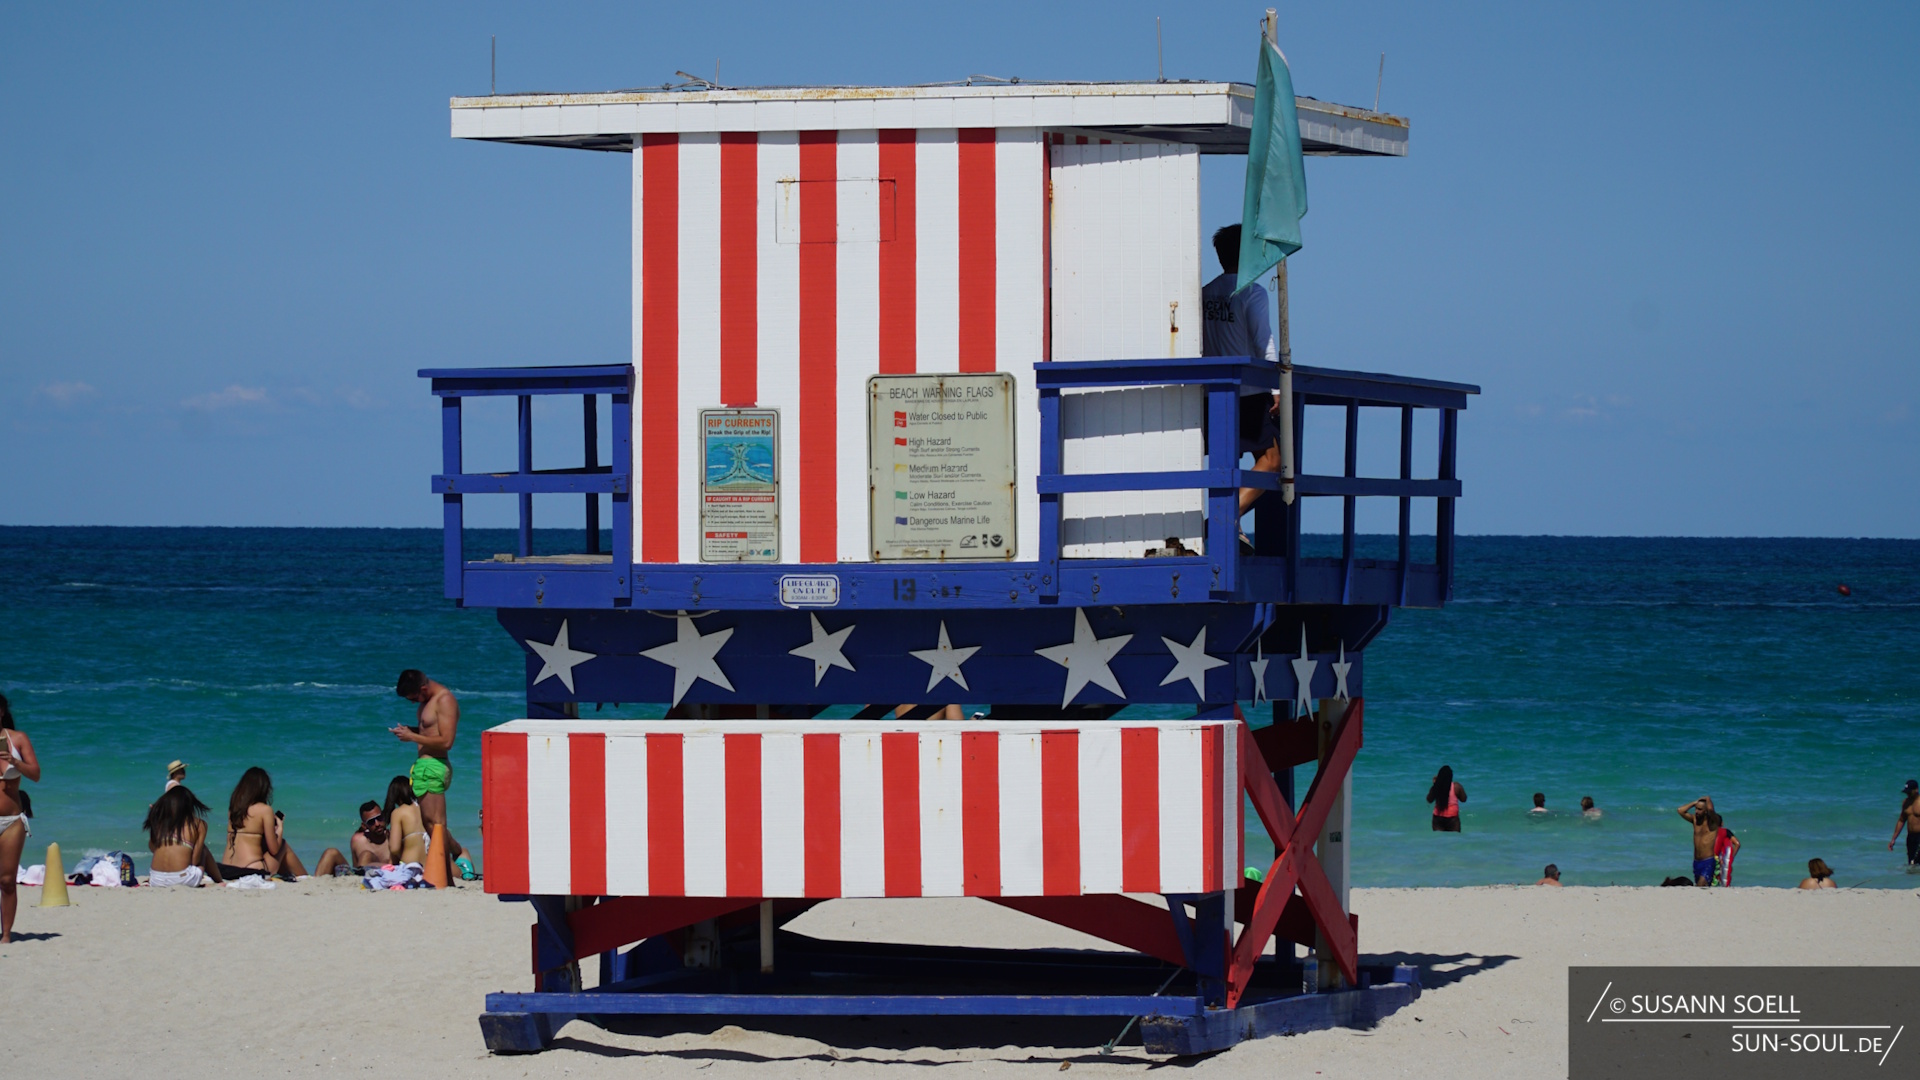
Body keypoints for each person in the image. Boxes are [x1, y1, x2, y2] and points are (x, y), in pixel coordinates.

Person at [1201, 224, 1284, 517]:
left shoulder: (1205, 293)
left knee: (1224, 464)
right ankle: (1225, 519)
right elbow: (1265, 341)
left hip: (1212, 393)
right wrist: (1277, 388)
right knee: (1273, 460)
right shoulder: (1252, 293)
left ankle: (1231, 525)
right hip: (1248, 390)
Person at [391, 670, 469, 870]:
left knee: (436, 824)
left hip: (435, 765)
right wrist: (410, 731)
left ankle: (449, 872)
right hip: (425, 766)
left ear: (423, 689)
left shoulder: (444, 700)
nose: (413, 702)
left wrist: (413, 737)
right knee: (429, 824)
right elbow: (430, 731)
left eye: (414, 697)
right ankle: (446, 872)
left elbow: (446, 741)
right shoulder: (427, 701)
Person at [222, 766, 346, 880]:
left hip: (226, 869)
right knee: (283, 845)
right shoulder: (265, 810)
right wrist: (279, 829)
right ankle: (305, 878)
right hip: (252, 869)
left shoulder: (233, 809)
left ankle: (301, 877)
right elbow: (274, 849)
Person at [1, 693, 42, 944]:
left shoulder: (17, 739)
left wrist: (14, 761)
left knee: (6, 880)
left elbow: (36, 774)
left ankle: (6, 934)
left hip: (11, 820)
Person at [143, 785, 224, 887]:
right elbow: (195, 861)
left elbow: (153, 848)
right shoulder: (199, 824)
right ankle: (219, 881)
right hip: (181, 879)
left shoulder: (161, 823)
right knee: (203, 849)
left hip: (156, 879)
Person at [381, 776, 429, 865]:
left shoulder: (398, 813)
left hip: (410, 864)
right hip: (429, 866)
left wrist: (389, 839)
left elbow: (395, 848)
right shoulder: (424, 808)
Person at [1677, 796, 1717, 886]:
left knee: (1700, 886)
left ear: (1705, 810)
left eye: (1699, 809)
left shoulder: (1713, 822)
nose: (1696, 811)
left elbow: (1711, 810)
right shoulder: (1695, 820)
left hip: (1708, 862)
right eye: (1696, 809)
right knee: (1701, 889)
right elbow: (1680, 810)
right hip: (1696, 862)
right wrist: (1695, 802)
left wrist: (1708, 799)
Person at [348, 800, 393, 871]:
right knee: (331, 853)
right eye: (371, 821)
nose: (377, 824)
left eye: (379, 818)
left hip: (387, 876)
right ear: (364, 826)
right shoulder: (358, 840)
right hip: (362, 877)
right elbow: (355, 868)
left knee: (366, 855)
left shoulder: (393, 837)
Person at [1889, 780, 1920, 868]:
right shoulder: (1905, 802)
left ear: (1916, 790)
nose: (1908, 794)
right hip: (1910, 837)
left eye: (1910, 792)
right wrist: (1893, 839)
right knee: (1911, 864)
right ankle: (1913, 881)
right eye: (1907, 792)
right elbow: (1901, 820)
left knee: (1915, 862)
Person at [1427, 765, 1466, 832]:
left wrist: (1435, 785)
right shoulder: (1456, 786)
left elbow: (1429, 800)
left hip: (1438, 818)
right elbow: (1463, 799)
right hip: (1452, 818)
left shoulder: (1437, 787)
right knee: (1455, 841)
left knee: (1439, 840)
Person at [1709, 811, 1740, 887]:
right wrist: (1730, 857)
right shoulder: (1725, 831)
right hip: (1716, 859)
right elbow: (1737, 844)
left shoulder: (1707, 831)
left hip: (1705, 858)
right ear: (1722, 823)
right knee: (1716, 881)